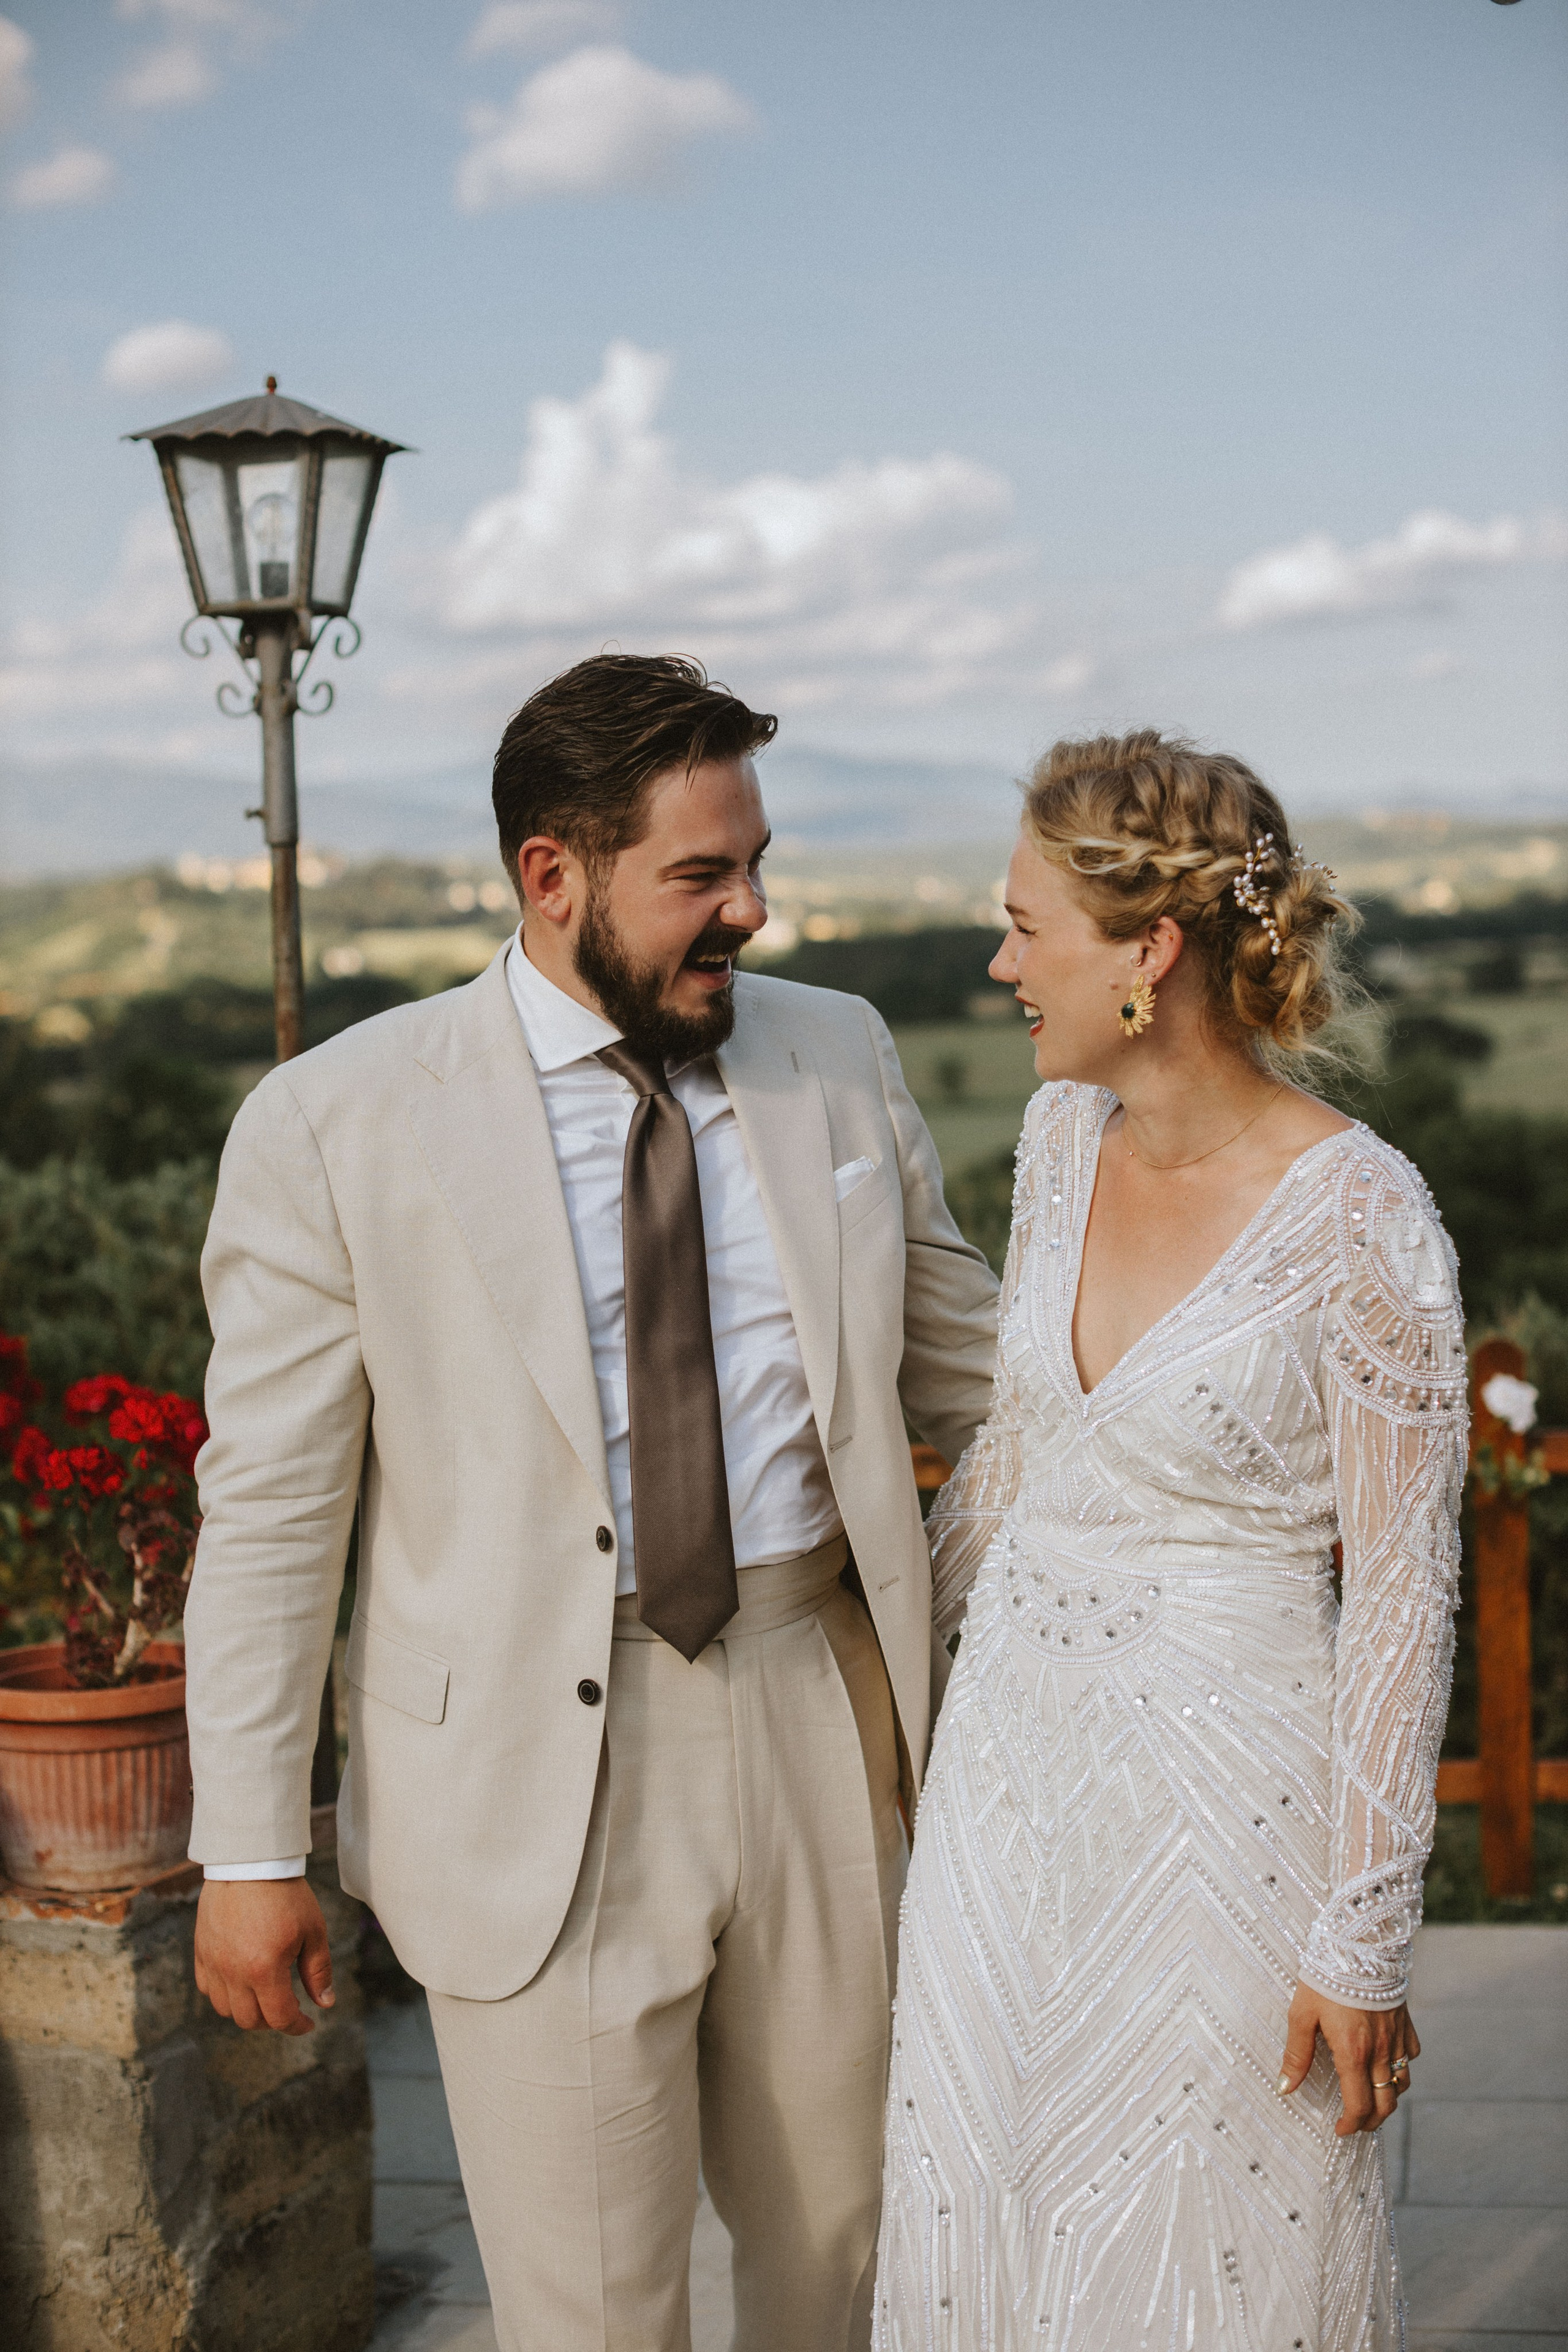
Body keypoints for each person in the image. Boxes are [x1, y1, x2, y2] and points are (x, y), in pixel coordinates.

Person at [184, 654, 999, 2352]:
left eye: (756, 863)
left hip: (819, 1703)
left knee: (845, 2257)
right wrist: (252, 1849)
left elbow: (974, 1366)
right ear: (553, 874)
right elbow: (270, 1516)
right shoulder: (336, 1122)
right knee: (592, 2311)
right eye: (702, 875)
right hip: (522, 1763)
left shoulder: (839, 1054)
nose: (751, 910)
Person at [873, 731, 1466, 2351]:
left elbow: (1403, 1600)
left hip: (1228, 1826)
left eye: (1025, 927)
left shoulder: (1365, 1218)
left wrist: (1364, 1936)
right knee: (978, 2215)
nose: (1000, 965)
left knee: (1201, 2254)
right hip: (1004, 1802)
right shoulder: (1060, 1145)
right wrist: (879, 1660)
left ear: (1147, 951)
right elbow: (1020, 1460)